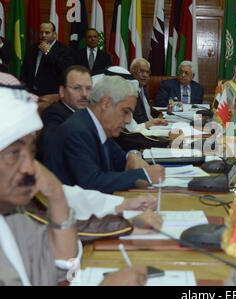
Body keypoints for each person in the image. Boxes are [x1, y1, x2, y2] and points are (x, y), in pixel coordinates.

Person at [0, 84, 150, 286]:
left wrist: (56, 193)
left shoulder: (12, 215)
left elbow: (59, 268)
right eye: (13, 153)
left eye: (31, 153)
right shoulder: (78, 129)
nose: (30, 168)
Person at [45, 75, 165, 194]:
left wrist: (131, 156)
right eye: (125, 112)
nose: (128, 120)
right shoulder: (78, 131)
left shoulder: (98, 126)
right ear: (106, 103)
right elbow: (91, 183)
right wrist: (144, 175)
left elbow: (118, 158)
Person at [37, 65, 93, 161]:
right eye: (77, 88)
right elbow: (50, 150)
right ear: (62, 91)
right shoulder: (54, 114)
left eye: (88, 88)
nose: (84, 94)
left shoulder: (89, 113)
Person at [20, 22, 74, 96]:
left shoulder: (64, 49)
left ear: (54, 34)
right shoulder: (32, 48)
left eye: (47, 33)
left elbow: (65, 69)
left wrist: (48, 53)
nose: (43, 35)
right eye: (41, 32)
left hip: (52, 94)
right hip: (31, 93)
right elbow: (24, 72)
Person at [130, 58, 168, 127]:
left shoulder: (144, 90)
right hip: (140, 130)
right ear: (132, 72)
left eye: (147, 72)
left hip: (151, 127)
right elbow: (137, 119)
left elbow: (148, 114)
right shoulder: (130, 92)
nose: (145, 75)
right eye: (141, 71)